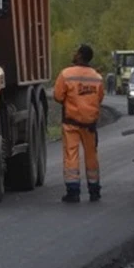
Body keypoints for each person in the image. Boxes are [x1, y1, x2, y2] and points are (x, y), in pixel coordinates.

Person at [53, 44, 105, 203]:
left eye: (76, 52)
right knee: (91, 156)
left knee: (71, 155)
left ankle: (73, 191)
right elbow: (100, 98)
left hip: (72, 123)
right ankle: (94, 190)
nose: (74, 54)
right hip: (90, 124)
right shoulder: (97, 77)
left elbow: (57, 96)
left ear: (81, 56)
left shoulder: (66, 74)